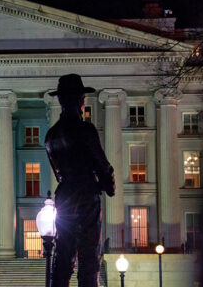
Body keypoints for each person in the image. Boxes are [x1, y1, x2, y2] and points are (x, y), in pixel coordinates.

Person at [45, 74, 115, 287]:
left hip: (64, 194)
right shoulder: (85, 130)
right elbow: (101, 163)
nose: (83, 102)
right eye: (82, 98)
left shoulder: (51, 135)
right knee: (89, 253)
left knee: (63, 253)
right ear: (78, 100)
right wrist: (108, 184)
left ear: (60, 100)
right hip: (85, 194)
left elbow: (57, 172)